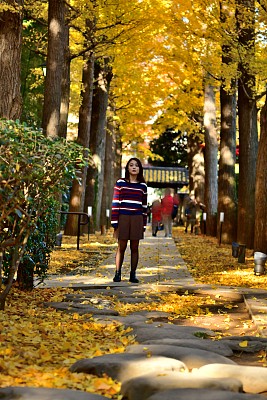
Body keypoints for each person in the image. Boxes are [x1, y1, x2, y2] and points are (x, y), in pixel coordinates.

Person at [111, 157, 147, 283]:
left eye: (136, 165)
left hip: (137, 218)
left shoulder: (143, 186)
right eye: (131, 165)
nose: (134, 167)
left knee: (135, 247)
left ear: (139, 169)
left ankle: (133, 274)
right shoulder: (120, 183)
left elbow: (144, 206)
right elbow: (115, 202)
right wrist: (114, 221)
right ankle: (117, 273)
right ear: (127, 168)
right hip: (123, 217)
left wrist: (144, 224)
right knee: (121, 246)